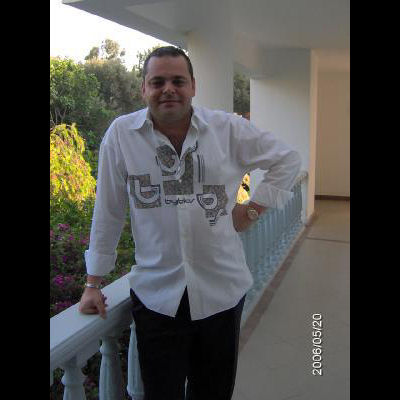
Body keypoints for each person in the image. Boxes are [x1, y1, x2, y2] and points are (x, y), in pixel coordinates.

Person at [79, 46, 301, 399]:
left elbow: (287, 160)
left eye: (178, 81)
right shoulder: (122, 135)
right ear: (144, 88)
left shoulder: (227, 129)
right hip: (157, 299)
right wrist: (93, 282)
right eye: (158, 82)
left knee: (213, 393)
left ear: (193, 86)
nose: (168, 89)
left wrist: (252, 210)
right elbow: (108, 210)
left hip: (222, 293)